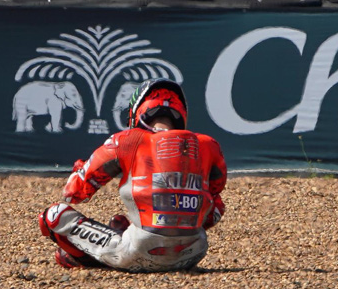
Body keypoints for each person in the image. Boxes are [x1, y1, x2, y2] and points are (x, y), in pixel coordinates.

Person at [38, 79, 227, 272]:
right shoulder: (208, 145)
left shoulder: (126, 141)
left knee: (52, 216)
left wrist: (79, 169)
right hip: (194, 253)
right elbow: (215, 202)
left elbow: (73, 193)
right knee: (121, 223)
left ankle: (88, 261)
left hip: (139, 250)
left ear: (137, 111)